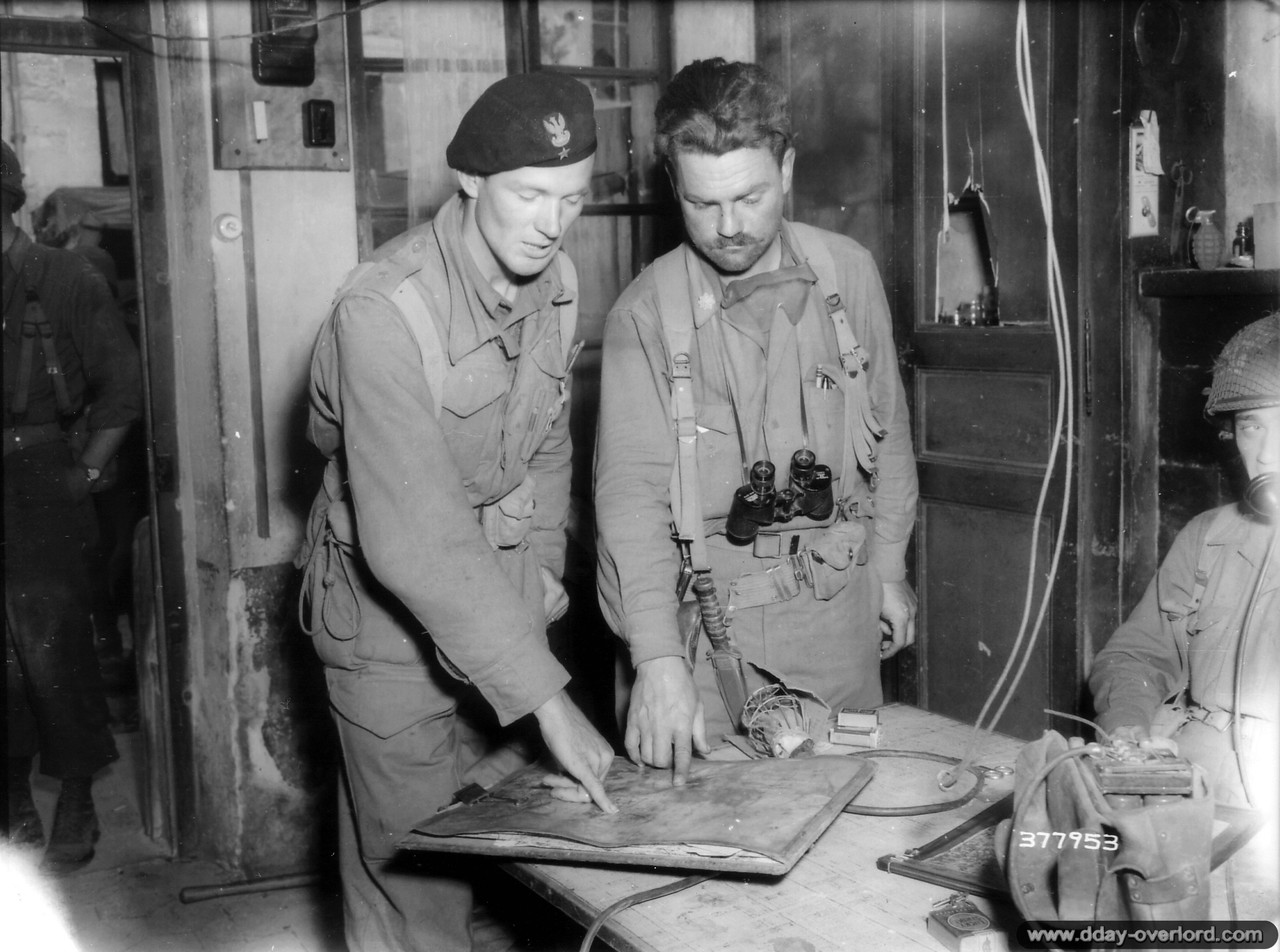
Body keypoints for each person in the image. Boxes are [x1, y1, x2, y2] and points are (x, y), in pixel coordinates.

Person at [296, 73, 617, 952]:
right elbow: (418, 537)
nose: (553, 223)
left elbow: (544, 440)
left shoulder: (554, 282)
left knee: (508, 846)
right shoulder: (382, 311)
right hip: (385, 618)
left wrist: (541, 565)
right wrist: (549, 700)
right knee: (418, 886)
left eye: (573, 199)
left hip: (499, 594)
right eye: (530, 194)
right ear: (471, 179)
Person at [594, 59, 919, 782]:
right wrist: (656, 660)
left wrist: (890, 570)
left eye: (749, 197)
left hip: (839, 627)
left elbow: (888, 435)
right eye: (703, 203)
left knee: (852, 819)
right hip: (705, 644)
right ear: (673, 185)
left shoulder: (847, 274)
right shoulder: (643, 315)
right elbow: (628, 503)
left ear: (788, 168)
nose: (729, 227)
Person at [3, 139, 142, 872]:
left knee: (54, 649)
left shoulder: (64, 277)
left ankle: (78, 798)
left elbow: (122, 389)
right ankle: (12, 797)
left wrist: (84, 472)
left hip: (41, 477)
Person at [1089, 313, 1279, 812]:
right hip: (1196, 772)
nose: (1265, 454)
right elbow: (1136, 656)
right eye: (1252, 426)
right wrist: (1128, 727)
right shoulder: (1209, 535)